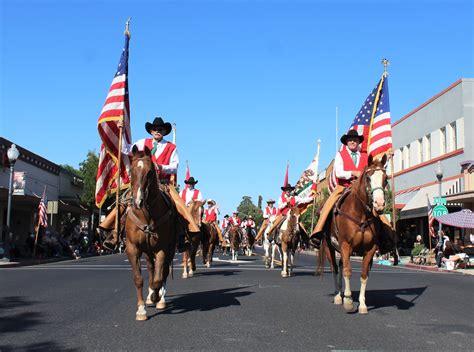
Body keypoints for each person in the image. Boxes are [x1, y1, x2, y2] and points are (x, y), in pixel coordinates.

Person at [99, 117, 200, 251]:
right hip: (143, 181)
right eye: (155, 129)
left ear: (164, 131)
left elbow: (174, 167)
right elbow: (125, 149)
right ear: (151, 131)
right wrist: (121, 132)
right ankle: (114, 233)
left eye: (160, 129)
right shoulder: (142, 142)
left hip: (162, 183)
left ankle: (183, 236)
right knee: (124, 201)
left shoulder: (171, 147)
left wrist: (161, 167)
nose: (157, 131)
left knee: (178, 205)